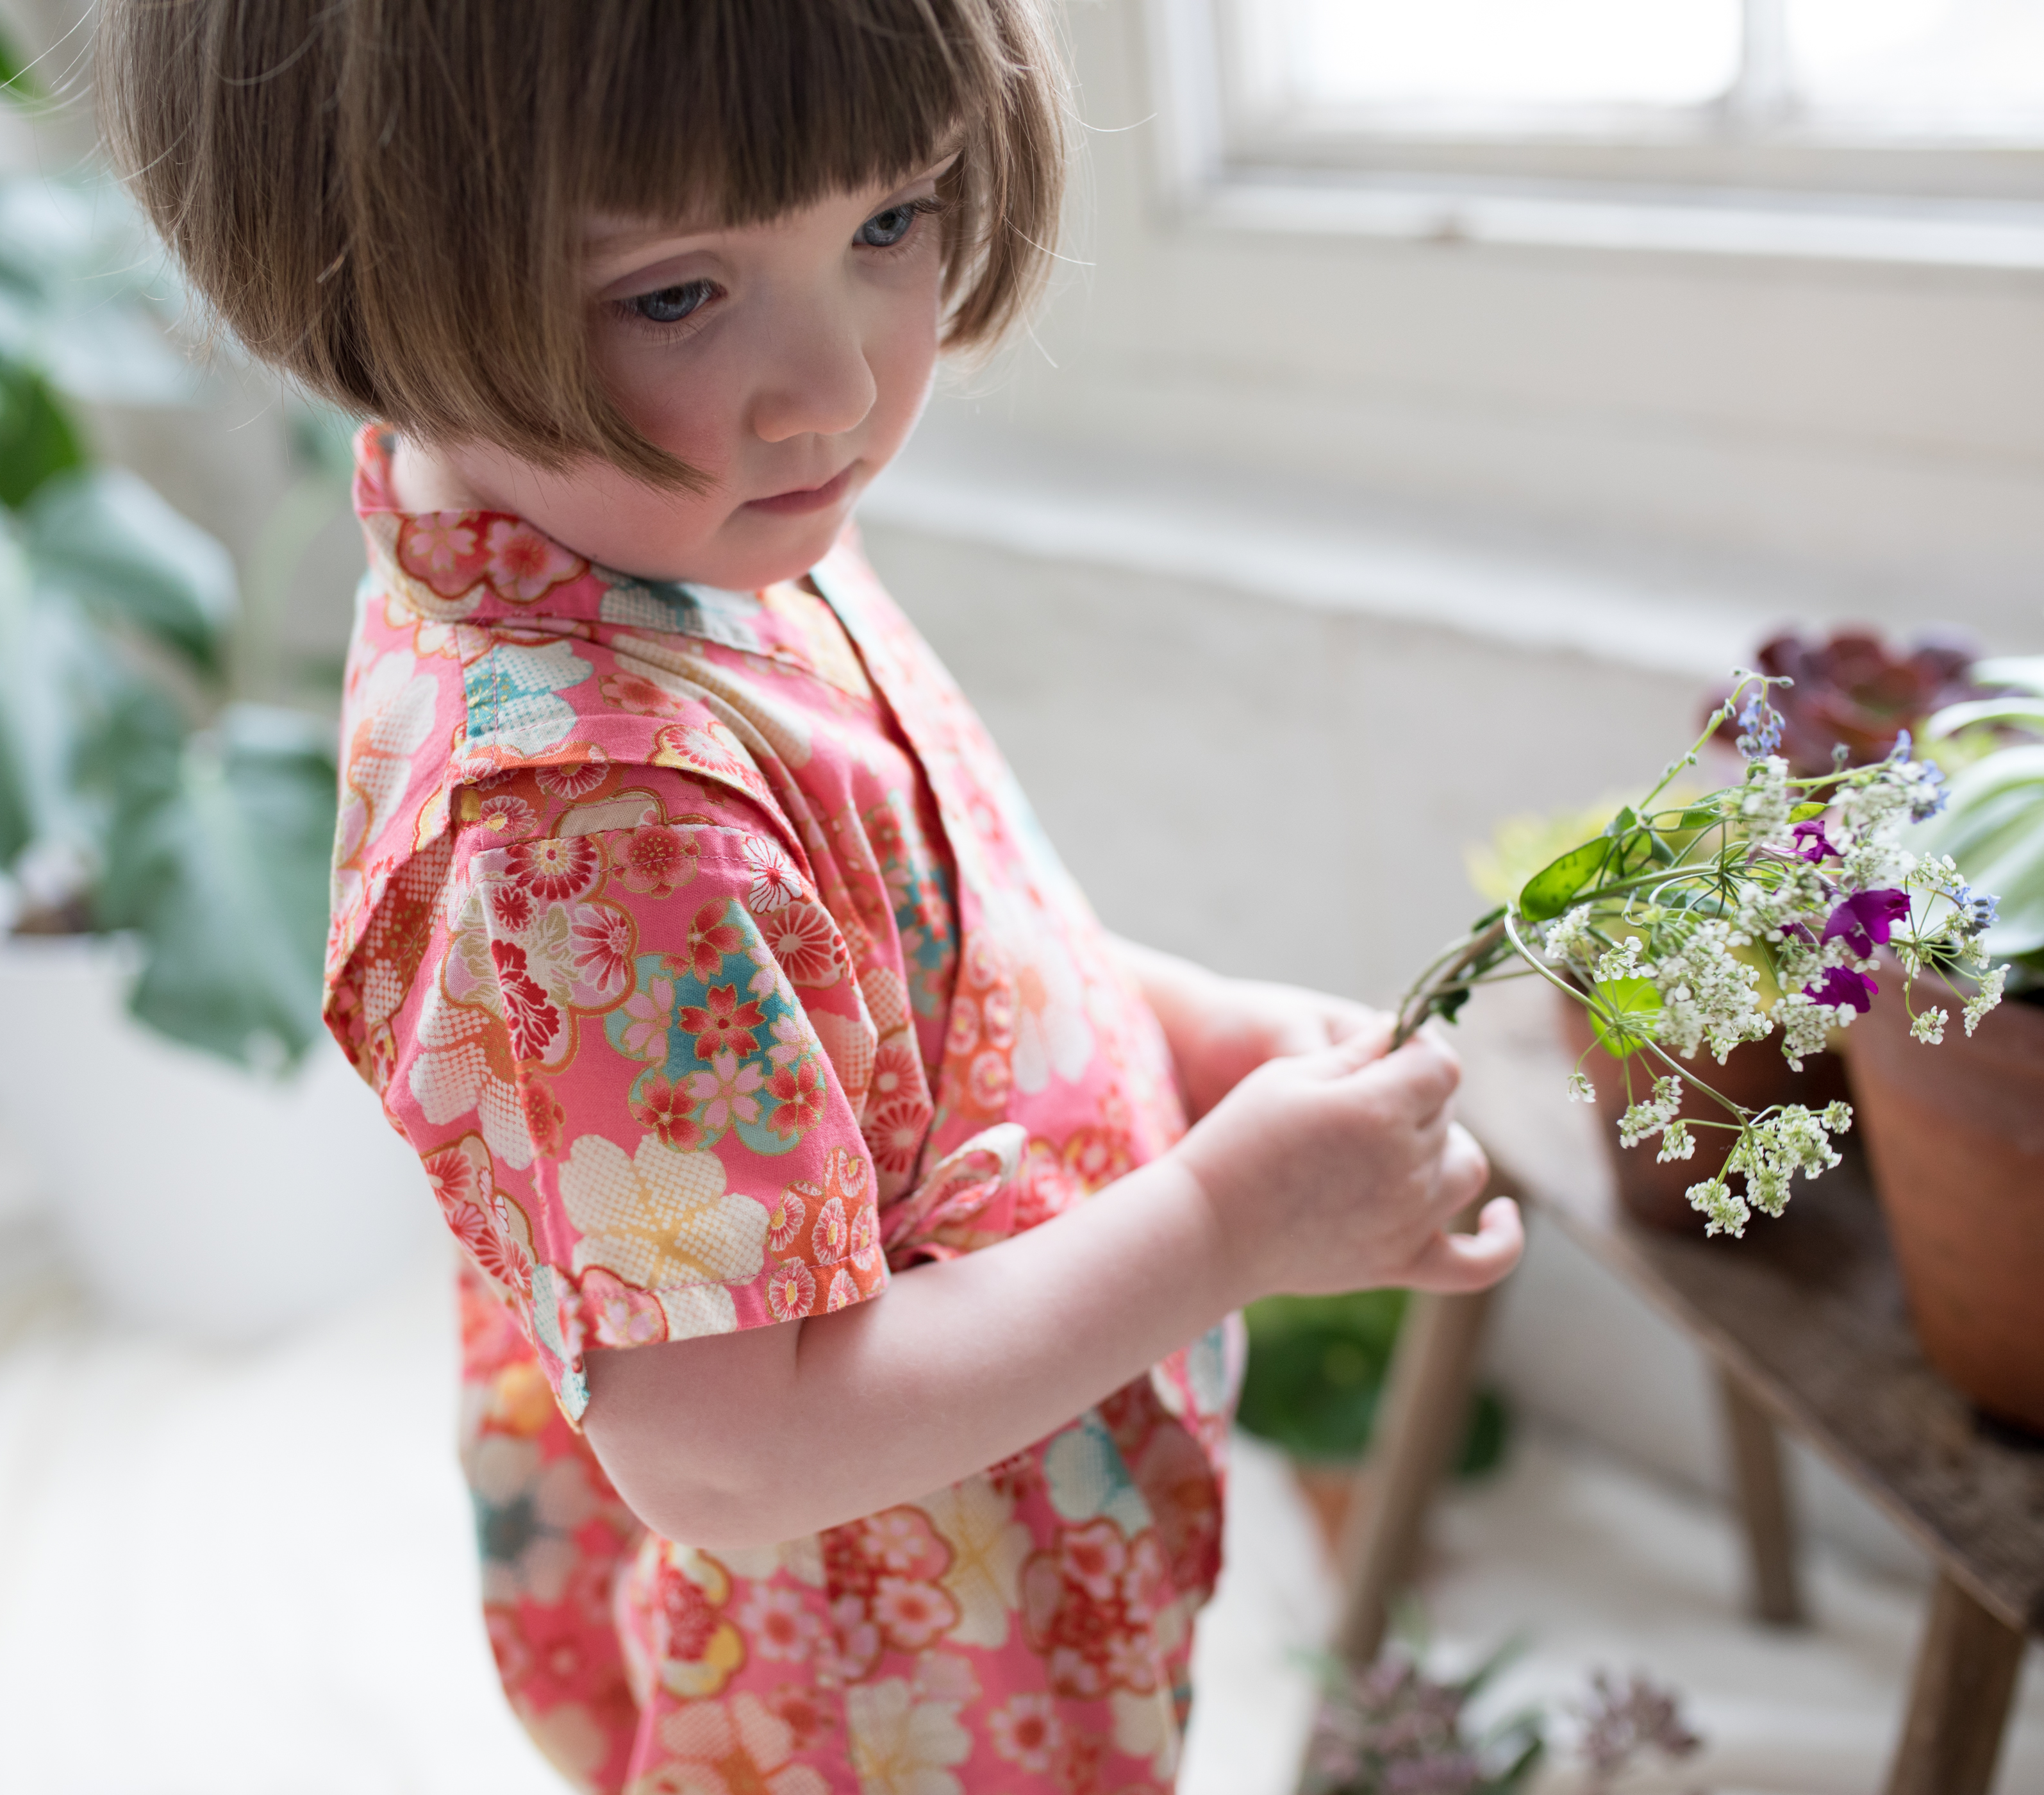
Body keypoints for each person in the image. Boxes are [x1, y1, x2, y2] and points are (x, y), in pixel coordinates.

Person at [97, 3, 1523, 1790]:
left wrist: (1177, 1026)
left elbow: (893, 939)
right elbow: (737, 1446)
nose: (837, 387)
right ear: (368, 271)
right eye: (678, 294)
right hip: (870, 1694)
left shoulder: (647, 518)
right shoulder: (584, 829)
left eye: (890, 223)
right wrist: (1229, 1227)